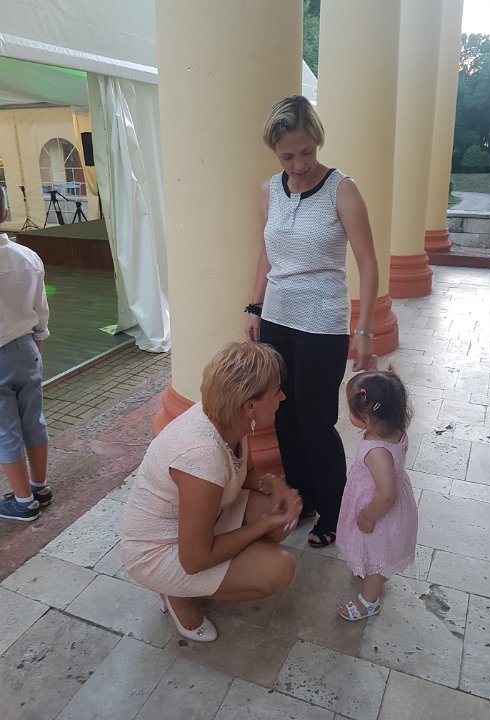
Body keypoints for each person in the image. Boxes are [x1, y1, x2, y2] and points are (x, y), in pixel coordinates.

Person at [245, 95, 379, 549]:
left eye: (306, 152)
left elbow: (367, 262)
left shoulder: (343, 189)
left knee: (315, 419)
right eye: (288, 156)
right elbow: (267, 252)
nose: (299, 164)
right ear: (275, 151)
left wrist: (364, 330)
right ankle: (303, 497)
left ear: (318, 141)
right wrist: (254, 307)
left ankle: (335, 510)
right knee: (283, 413)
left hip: (323, 322)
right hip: (277, 318)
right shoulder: (269, 190)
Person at [121, 341, 300, 643]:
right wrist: (261, 526)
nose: (282, 397)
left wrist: (276, 485)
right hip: (158, 550)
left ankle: (209, 576)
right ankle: (176, 594)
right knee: (278, 569)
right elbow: (195, 558)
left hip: (199, 523)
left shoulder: (230, 419)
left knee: (279, 515)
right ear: (250, 406)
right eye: (276, 391)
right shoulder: (202, 456)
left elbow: (246, 472)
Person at [336, 363, 417, 620]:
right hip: (385, 503)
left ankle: (368, 602)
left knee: (375, 559)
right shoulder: (394, 428)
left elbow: (387, 495)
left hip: (380, 513)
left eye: (350, 409)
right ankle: (372, 568)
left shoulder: (378, 452)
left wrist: (368, 516)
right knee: (375, 553)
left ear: (367, 419)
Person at [0, 186, 52, 522]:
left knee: (5, 430)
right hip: (27, 348)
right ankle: (40, 487)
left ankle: (22, 502)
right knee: (34, 420)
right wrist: (37, 347)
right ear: (5, 213)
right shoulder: (27, 256)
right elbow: (41, 311)